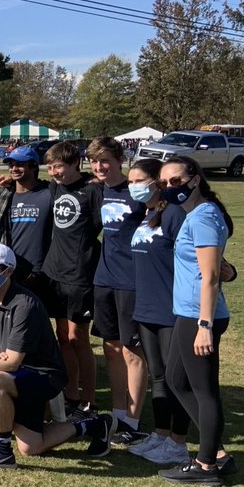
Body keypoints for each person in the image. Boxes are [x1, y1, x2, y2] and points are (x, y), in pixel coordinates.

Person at [0, 244, 117, 470]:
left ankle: (1, 452)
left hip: (44, 376)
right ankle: (96, 425)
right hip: (21, 374)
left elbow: (12, 362)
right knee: (31, 447)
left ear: (9, 271)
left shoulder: (25, 304)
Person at [156, 156, 237, 486]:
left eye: (175, 181)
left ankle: (206, 466)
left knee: (204, 391)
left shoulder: (203, 216)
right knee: (177, 380)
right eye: (164, 183)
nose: (169, 187)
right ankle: (215, 451)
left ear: (194, 179)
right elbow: (214, 264)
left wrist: (204, 325)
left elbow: (211, 277)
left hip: (199, 316)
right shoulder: (199, 215)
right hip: (187, 312)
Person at [125, 159, 193, 465]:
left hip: (171, 309)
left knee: (176, 378)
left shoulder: (175, 214)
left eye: (139, 181)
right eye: (130, 182)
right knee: (157, 376)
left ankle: (179, 442)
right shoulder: (147, 214)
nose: (134, 187)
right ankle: (162, 434)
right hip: (146, 309)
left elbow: (195, 256)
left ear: (156, 182)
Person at [87, 137, 150, 447]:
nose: (100, 166)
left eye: (105, 160)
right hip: (103, 281)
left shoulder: (137, 191)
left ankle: (134, 422)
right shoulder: (97, 190)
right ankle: (118, 413)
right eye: (95, 161)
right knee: (111, 350)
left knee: (132, 352)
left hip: (132, 283)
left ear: (120, 160)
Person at [41, 142, 103, 421]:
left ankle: (89, 401)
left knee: (79, 338)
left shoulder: (92, 191)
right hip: (54, 274)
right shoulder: (54, 188)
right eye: (51, 167)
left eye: (60, 167)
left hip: (80, 275)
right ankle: (71, 395)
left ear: (75, 163)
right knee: (62, 337)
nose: (55, 172)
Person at [0, 146, 53, 299]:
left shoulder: (49, 193)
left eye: (20, 164)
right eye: (11, 165)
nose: (14, 168)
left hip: (42, 271)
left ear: (33, 166)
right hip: (11, 268)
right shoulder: (2, 196)